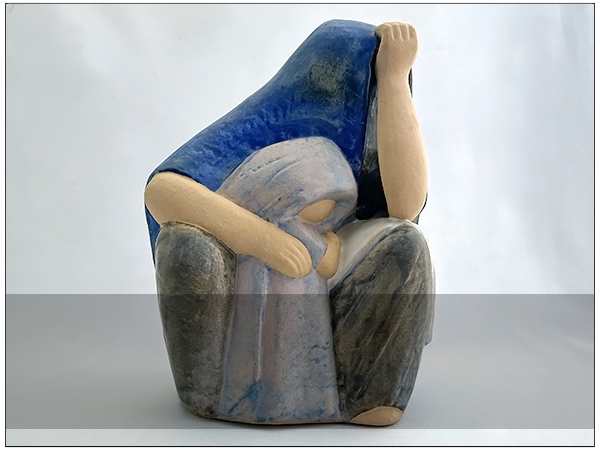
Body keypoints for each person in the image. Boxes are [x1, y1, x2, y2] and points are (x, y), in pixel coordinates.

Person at [145, 20, 435, 426]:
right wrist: (262, 239)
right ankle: (212, 393)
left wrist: (392, 79)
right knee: (185, 243)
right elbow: (163, 189)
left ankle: (369, 395)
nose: (344, 98)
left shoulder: (376, 129)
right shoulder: (269, 124)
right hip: (249, 261)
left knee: (406, 241)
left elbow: (405, 206)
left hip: (321, 272)